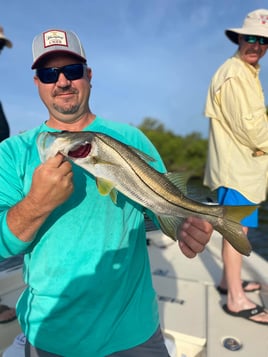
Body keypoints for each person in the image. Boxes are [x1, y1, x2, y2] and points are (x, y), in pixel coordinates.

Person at [0, 28, 213, 356]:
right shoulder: (11, 152)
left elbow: (160, 201)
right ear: (37, 82)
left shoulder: (132, 138)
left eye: (72, 71)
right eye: (48, 73)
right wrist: (37, 203)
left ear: (88, 75)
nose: (62, 82)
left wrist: (183, 222)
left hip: (135, 328)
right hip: (52, 332)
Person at [204, 9, 268, 325]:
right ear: (240, 38)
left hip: (243, 170)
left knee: (237, 229)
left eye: (263, 39)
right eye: (251, 37)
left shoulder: (245, 71)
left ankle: (227, 282)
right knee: (236, 232)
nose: (256, 44)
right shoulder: (235, 75)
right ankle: (236, 299)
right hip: (238, 172)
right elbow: (254, 131)